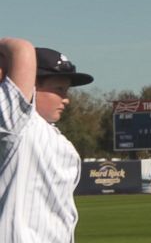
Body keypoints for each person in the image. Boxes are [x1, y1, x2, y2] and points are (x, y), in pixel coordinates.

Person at [0, 38, 93, 242]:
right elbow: (21, 49)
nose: (66, 98)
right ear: (32, 86)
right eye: (59, 89)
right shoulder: (17, 124)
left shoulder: (55, 137)